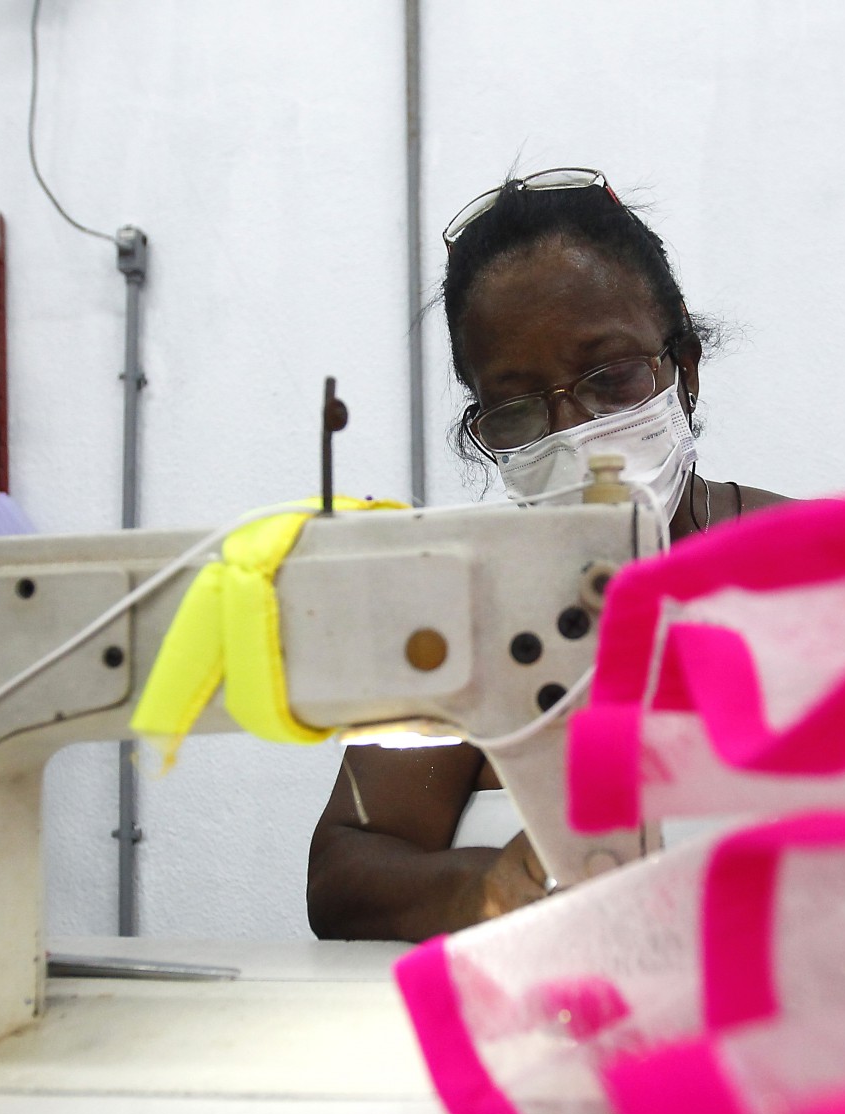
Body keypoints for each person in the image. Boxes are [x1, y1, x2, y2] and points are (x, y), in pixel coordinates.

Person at [306, 169, 790, 941]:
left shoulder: (821, 568)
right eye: (517, 407)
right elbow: (345, 870)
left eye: (614, 377)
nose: (572, 432)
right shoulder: (458, 610)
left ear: (684, 369)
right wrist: (480, 890)